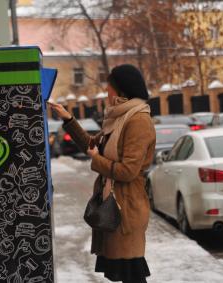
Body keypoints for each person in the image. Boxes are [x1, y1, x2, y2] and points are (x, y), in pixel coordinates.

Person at [49, 64, 155, 283]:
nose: (106, 91)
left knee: (132, 273)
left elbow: (128, 171)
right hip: (114, 204)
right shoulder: (117, 118)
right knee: (128, 274)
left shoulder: (137, 120)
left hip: (127, 209)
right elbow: (91, 144)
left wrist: (96, 160)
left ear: (120, 90)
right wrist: (68, 119)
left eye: (109, 86)